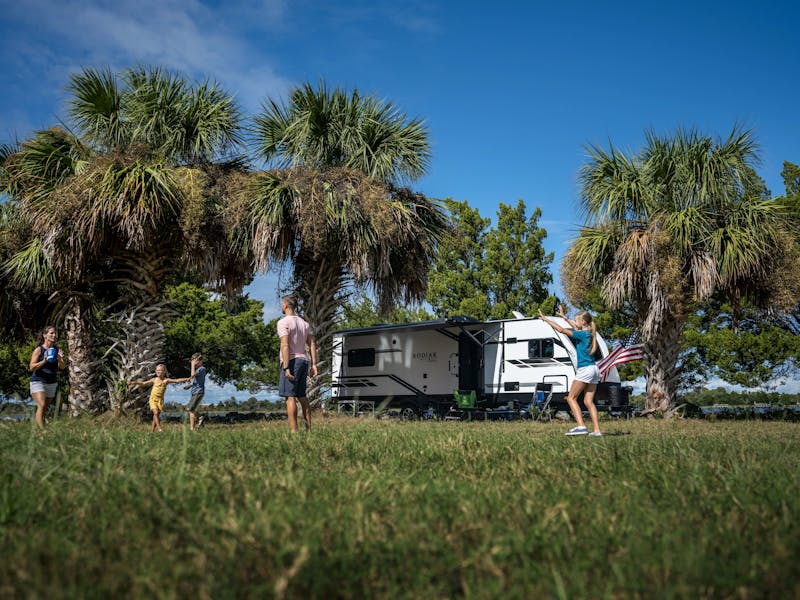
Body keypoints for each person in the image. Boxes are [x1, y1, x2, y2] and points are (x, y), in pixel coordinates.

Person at [538, 306, 602, 437]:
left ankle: (581, 426)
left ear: (583, 321)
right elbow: (575, 326)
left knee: (571, 398)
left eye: (576, 320)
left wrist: (546, 319)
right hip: (594, 369)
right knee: (588, 402)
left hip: (585, 369)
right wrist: (564, 317)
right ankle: (597, 431)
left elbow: (561, 330)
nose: (575, 322)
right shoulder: (589, 332)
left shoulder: (581, 334)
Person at [277, 295, 318, 432]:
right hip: (304, 361)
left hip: (292, 361)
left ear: (286, 306)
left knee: (290, 397)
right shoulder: (305, 324)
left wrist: (286, 367)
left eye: (282, 304)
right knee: (302, 396)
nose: (281, 306)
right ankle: (308, 430)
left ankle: (294, 432)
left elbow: (285, 346)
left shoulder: (283, 323)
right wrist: (314, 365)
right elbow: (312, 344)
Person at [129, 364, 189, 432]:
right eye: (157, 370)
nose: (158, 372)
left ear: (164, 371)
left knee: (156, 415)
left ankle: (152, 431)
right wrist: (135, 382)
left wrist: (186, 379)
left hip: (160, 400)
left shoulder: (166, 380)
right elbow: (143, 383)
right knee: (156, 412)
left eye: (160, 370)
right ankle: (159, 428)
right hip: (153, 399)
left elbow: (177, 380)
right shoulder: (154, 379)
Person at [29, 325, 66, 428]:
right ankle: (42, 430)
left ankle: (38, 429)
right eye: (51, 333)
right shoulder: (39, 350)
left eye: (55, 333)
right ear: (45, 335)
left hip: (51, 382)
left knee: (43, 408)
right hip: (38, 381)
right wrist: (44, 361)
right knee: (41, 404)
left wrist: (60, 359)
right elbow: (31, 367)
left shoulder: (57, 349)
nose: (54, 335)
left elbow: (62, 367)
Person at [185, 353, 206, 431]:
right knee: (190, 409)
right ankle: (200, 417)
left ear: (200, 361)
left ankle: (192, 428)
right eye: (193, 361)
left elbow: (192, 375)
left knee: (190, 410)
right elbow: (194, 381)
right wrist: (188, 386)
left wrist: (192, 365)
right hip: (194, 392)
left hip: (199, 392)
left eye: (195, 361)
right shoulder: (197, 370)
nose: (194, 362)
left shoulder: (202, 369)